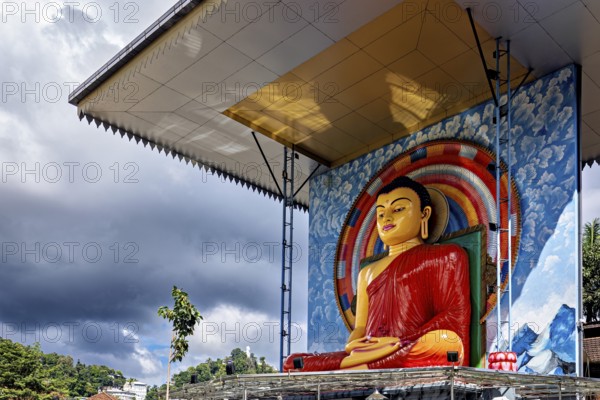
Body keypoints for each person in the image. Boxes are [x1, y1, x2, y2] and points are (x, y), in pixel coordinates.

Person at [284, 176, 471, 371]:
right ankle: (359, 367)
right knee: (294, 361)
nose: (387, 218)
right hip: (372, 351)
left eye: (398, 209)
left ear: (424, 214)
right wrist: (353, 345)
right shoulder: (367, 272)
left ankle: (350, 370)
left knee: (446, 343)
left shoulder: (447, 255)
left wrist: (398, 341)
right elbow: (360, 329)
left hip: (409, 346)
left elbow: (454, 316)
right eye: (381, 214)